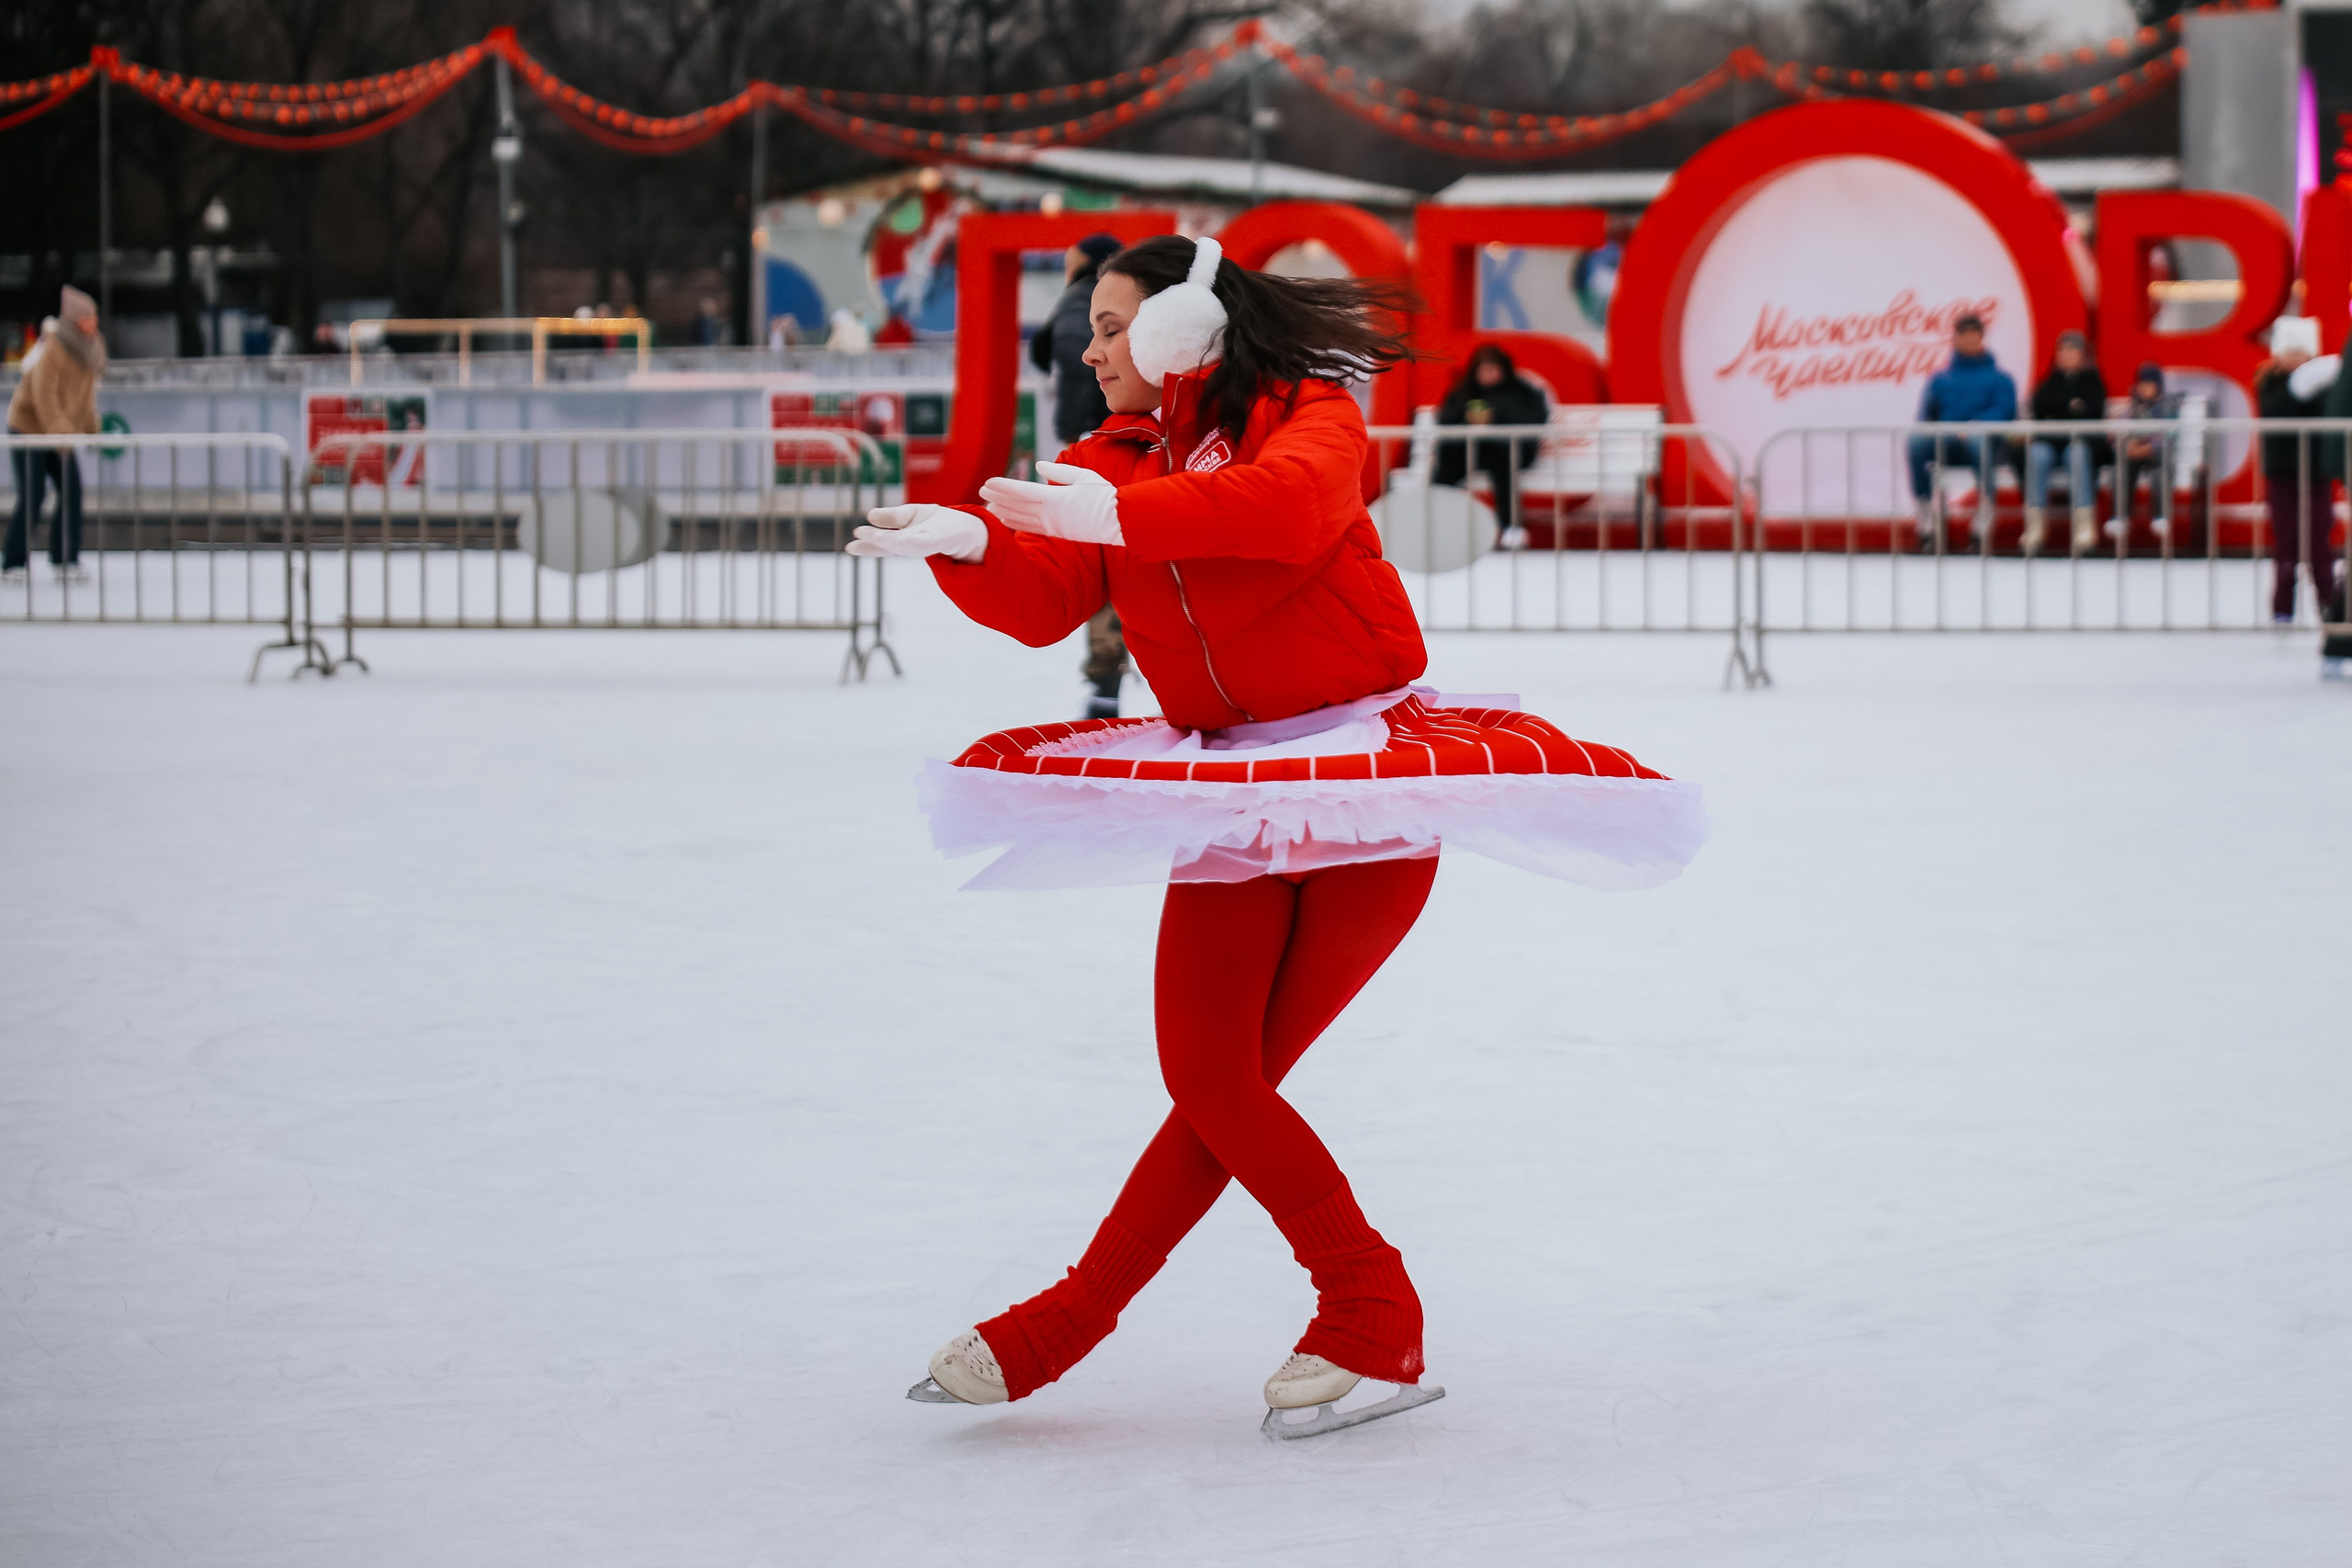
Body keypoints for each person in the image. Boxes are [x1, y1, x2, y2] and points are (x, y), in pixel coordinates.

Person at [846, 234, 1706, 1434]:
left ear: (1182, 328)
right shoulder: (1108, 457)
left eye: (1109, 325)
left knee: (1230, 1084)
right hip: (1229, 792)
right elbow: (1049, 601)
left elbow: (1294, 509)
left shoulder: (1304, 412)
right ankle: (1178, 1310)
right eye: (1089, 329)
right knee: (1210, 1077)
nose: (1088, 350)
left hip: (1362, 789)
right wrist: (977, 544)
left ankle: (1320, 1311)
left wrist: (1124, 513)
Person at [5, 285, 105, 583]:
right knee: (33, 493)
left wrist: (90, 423)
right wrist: (60, 429)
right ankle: (13, 562)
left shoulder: (89, 349)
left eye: (94, 317)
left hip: (58, 434)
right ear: (74, 321)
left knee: (72, 490)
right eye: (87, 318)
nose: (93, 323)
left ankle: (64, 558)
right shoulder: (53, 348)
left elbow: (84, 396)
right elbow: (42, 395)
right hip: (29, 430)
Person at [2254, 316, 2343, 625]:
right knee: (2286, 543)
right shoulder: (2268, 384)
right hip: (2282, 473)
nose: (2295, 358)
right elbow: (2276, 411)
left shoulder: (2324, 385)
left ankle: (2329, 605)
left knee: (2319, 541)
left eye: (2301, 352)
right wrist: (2297, 388)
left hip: (2315, 474)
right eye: (2290, 351)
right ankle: (2282, 609)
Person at [1906, 313, 2017, 549]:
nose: (1968, 340)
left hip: (1985, 444)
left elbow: (2005, 412)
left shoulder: (2001, 379)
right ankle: (1926, 517)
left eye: (1973, 334)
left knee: (1978, 440)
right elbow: (1927, 416)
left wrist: (1976, 425)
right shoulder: (1939, 379)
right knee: (1916, 442)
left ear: (1982, 338)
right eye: (1963, 334)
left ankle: (1984, 516)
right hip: (1948, 442)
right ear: (1955, 339)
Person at [1431, 343, 1548, 538]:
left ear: (1503, 369)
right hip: (1472, 452)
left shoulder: (1521, 391)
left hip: (1510, 452)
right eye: (1482, 369)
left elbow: (1535, 418)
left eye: (1492, 368)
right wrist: (1466, 417)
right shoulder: (1464, 391)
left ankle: (1511, 525)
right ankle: (1436, 522)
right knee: (1447, 464)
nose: (1487, 374)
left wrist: (1496, 417)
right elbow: (1445, 418)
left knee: (1503, 463)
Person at [1031, 232, 1122, 446]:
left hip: (1088, 421)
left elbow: (1058, 346)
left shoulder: (1079, 296)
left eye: (1070, 263)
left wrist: (1081, 422)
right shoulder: (1119, 295)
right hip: (1110, 417)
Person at [2023, 329, 2109, 556]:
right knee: (2037, 454)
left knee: (2077, 453)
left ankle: (2084, 525)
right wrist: (2071, 407)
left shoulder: (2093, 382)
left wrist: (2058, 411)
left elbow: (2093, 412)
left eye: (2074, 350)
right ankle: (2035, 525)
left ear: (2083, 355)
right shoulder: (2048, 382)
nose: (2068, 355)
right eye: (2064, 350)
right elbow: (2040, 408)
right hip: (2050, 443)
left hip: (2080, 444)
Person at [2115, 362, 2179, 539]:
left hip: (2158, 455)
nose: (2145, 388)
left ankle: (2160, 516)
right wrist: (2129, 446)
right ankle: (2120, 515)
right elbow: (2122, 428)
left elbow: (2170, 433)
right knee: (2122, 470)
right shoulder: (2133, 408)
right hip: (2135, 453)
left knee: (2161, 474)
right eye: (2142, 384)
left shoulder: (2167, 408)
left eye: (2150, 384)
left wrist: (2149, 447)